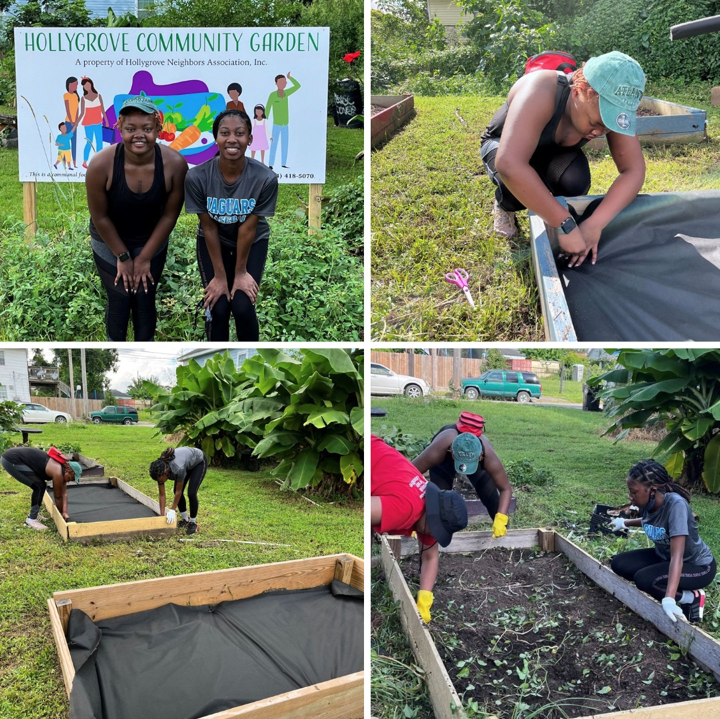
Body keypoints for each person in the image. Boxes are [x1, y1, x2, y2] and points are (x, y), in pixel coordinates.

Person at [481, 51, 646, 268]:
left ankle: (545, 205)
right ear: (579, 91)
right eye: (596, 122)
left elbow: (633, 171)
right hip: (504, 145)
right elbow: (509, 163)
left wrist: (595, 224)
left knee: (574, 180)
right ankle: (505, 206)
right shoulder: (541, 89)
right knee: (514, 183)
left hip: (551, 152)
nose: (601, 132)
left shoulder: (609, 112)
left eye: (609, 126)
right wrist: (565, 223)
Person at [86, 95, 188, 342]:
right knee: (120, 296)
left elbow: (169, 216)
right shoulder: (101, 165)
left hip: (150, 237)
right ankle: (115, 348)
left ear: (158, 130)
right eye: (131, 129)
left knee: (144, 294)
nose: (139, 135)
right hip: (108, 237)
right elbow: (99, 216)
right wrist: (122, 256)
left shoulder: (175, 165)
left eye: (147, 129)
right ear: (119, 127)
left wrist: (143, 258)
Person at [185, 109, 279, 341]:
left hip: (252, 240)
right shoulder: (197, 177)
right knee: (218, 307)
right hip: (213, 238)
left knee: (242, 305)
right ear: (216, 137)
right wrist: (219, 277)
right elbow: (208, 227)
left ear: (249, 138)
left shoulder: (265, 178)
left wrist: (239, 273)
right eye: (224, 133)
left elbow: (248, 228)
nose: (232, 139)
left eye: (240, 133)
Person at [371, 435, 468, 623]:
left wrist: (424, 598)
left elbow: (430, 557)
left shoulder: (428, 503)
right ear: (431, 516)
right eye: (436, 529)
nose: (433, 535)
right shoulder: (405, 508)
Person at [610, 460, 715, 623]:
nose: (630, 497)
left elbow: (678, 557)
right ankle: (677, 589)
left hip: (697, 565)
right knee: (619, 564)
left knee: (645, 580)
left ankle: (691, 597)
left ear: (652, 490)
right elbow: (649, 520)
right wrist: (625, 523)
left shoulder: (676, 505)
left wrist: (669, 598)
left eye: (633, 492)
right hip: (665, 556)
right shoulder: (648, 503)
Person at [412, 411, 513, 539]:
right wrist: (413, 514)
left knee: (491, 497)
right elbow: (409, 474)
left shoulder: (488, 456)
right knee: (439, 501)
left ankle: (505, 537)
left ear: (480, 456)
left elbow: (505, 489)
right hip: (444, 463)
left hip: (478, 464)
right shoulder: (440, 448)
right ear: (452, 452)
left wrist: (501, 517)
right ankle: (431, 537)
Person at [0, 446, 81, 530]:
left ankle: (34, 515)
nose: (68, 481)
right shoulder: (58, 471)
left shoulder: (63, 470)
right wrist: (60, 516)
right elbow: (58, 497)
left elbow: (64, 493)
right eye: (70, 478)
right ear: (69, 471)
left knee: (40, 485)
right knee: (39, 486)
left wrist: (64, 512)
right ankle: (31, 520)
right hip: (11, 460)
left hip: (15, 458)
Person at [149, 447, 207, 535]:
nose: (160, 482)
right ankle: (185, 520)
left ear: (165, 473)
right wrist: (162, 516)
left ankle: (193, 523)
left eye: (160, 480)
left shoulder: (177, 469)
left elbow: (179, 492)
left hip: (198, 462)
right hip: (186, 463)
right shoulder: (159, 471)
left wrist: (172, 510)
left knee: (191, 492)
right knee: (175, 489)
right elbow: (162, 495)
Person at [266, 72, 301, 170]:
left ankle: (283, 163)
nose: (283, 84)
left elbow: (298, 86)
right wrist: (264, 122)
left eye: (284, 82)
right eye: (280, 82)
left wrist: (290, 78)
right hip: (276, 124)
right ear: (276, 83)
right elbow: (268, 108)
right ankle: (271, 164)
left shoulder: (286, 93)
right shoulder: (273, 95)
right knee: (274, 144)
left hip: (285, 124)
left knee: (285, 144)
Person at [75, 76, 109, 169]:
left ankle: (100, 161)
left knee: (99, 142)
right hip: (88, 123)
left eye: (88, 84)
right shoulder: (83, 98)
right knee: (89, 142)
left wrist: (106, 120)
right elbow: (82, 112)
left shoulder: (98, 96)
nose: (87, 86)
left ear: (91, 84)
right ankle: (85, 161)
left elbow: (102, 109)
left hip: (98, 122)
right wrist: (76, 123)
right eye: (85, 85)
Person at [62, 76, 80, 169]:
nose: (76, 86)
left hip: (75, 123)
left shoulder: (76, 96)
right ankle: (64, 162)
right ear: (69, 85)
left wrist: (76, 121)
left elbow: (77, 109)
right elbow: (67, 109)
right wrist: (71, 120)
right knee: (66, 142)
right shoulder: (66, 95)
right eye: (75, 84)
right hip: (68, 122)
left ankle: (74, 162)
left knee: (74, 142)